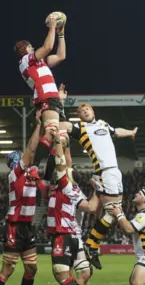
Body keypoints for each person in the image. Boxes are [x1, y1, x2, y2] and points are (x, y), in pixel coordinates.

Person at [0, 120, 57, 285]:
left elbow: (45, 176)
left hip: (28, 228)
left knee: (31, 268)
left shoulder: (32, 175)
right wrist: (38, 127)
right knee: (8, 269)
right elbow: (32, 150)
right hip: (14, 227)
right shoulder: (14, 175)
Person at [58, 96, 138, 269]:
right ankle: (91, 246)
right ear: (79, 116)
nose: (85, 110)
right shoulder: (81, 128)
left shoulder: (103, 124)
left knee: (113, 211)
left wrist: (131, 132)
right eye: (81, 111)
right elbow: (62, 125)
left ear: (93, 111)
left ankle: (91, 246)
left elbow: (117, 131)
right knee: (113, 211)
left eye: (87, 108)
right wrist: (59, 105)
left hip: (114, 171)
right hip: (104, 171)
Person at [46, 129, 98, 285]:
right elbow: (67, 164)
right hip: (75, 236)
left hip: (63, 234)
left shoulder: (64, 185)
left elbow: (61, 164)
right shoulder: (72, 188)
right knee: (84, 272)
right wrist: (67, 145)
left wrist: (58, 142)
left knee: (60, 273)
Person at [16, 14, 66, 181]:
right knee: (53, 132)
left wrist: (61, 34)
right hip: (45, 97)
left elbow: (60, 56)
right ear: (28, 49)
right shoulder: (25, 61)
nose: (31, 48)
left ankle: (46, 170)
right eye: (29, 46)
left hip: (52, 97)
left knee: (60, 134)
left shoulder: (39, 62)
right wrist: (52, 26)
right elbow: (47, 46)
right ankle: (37, 167)